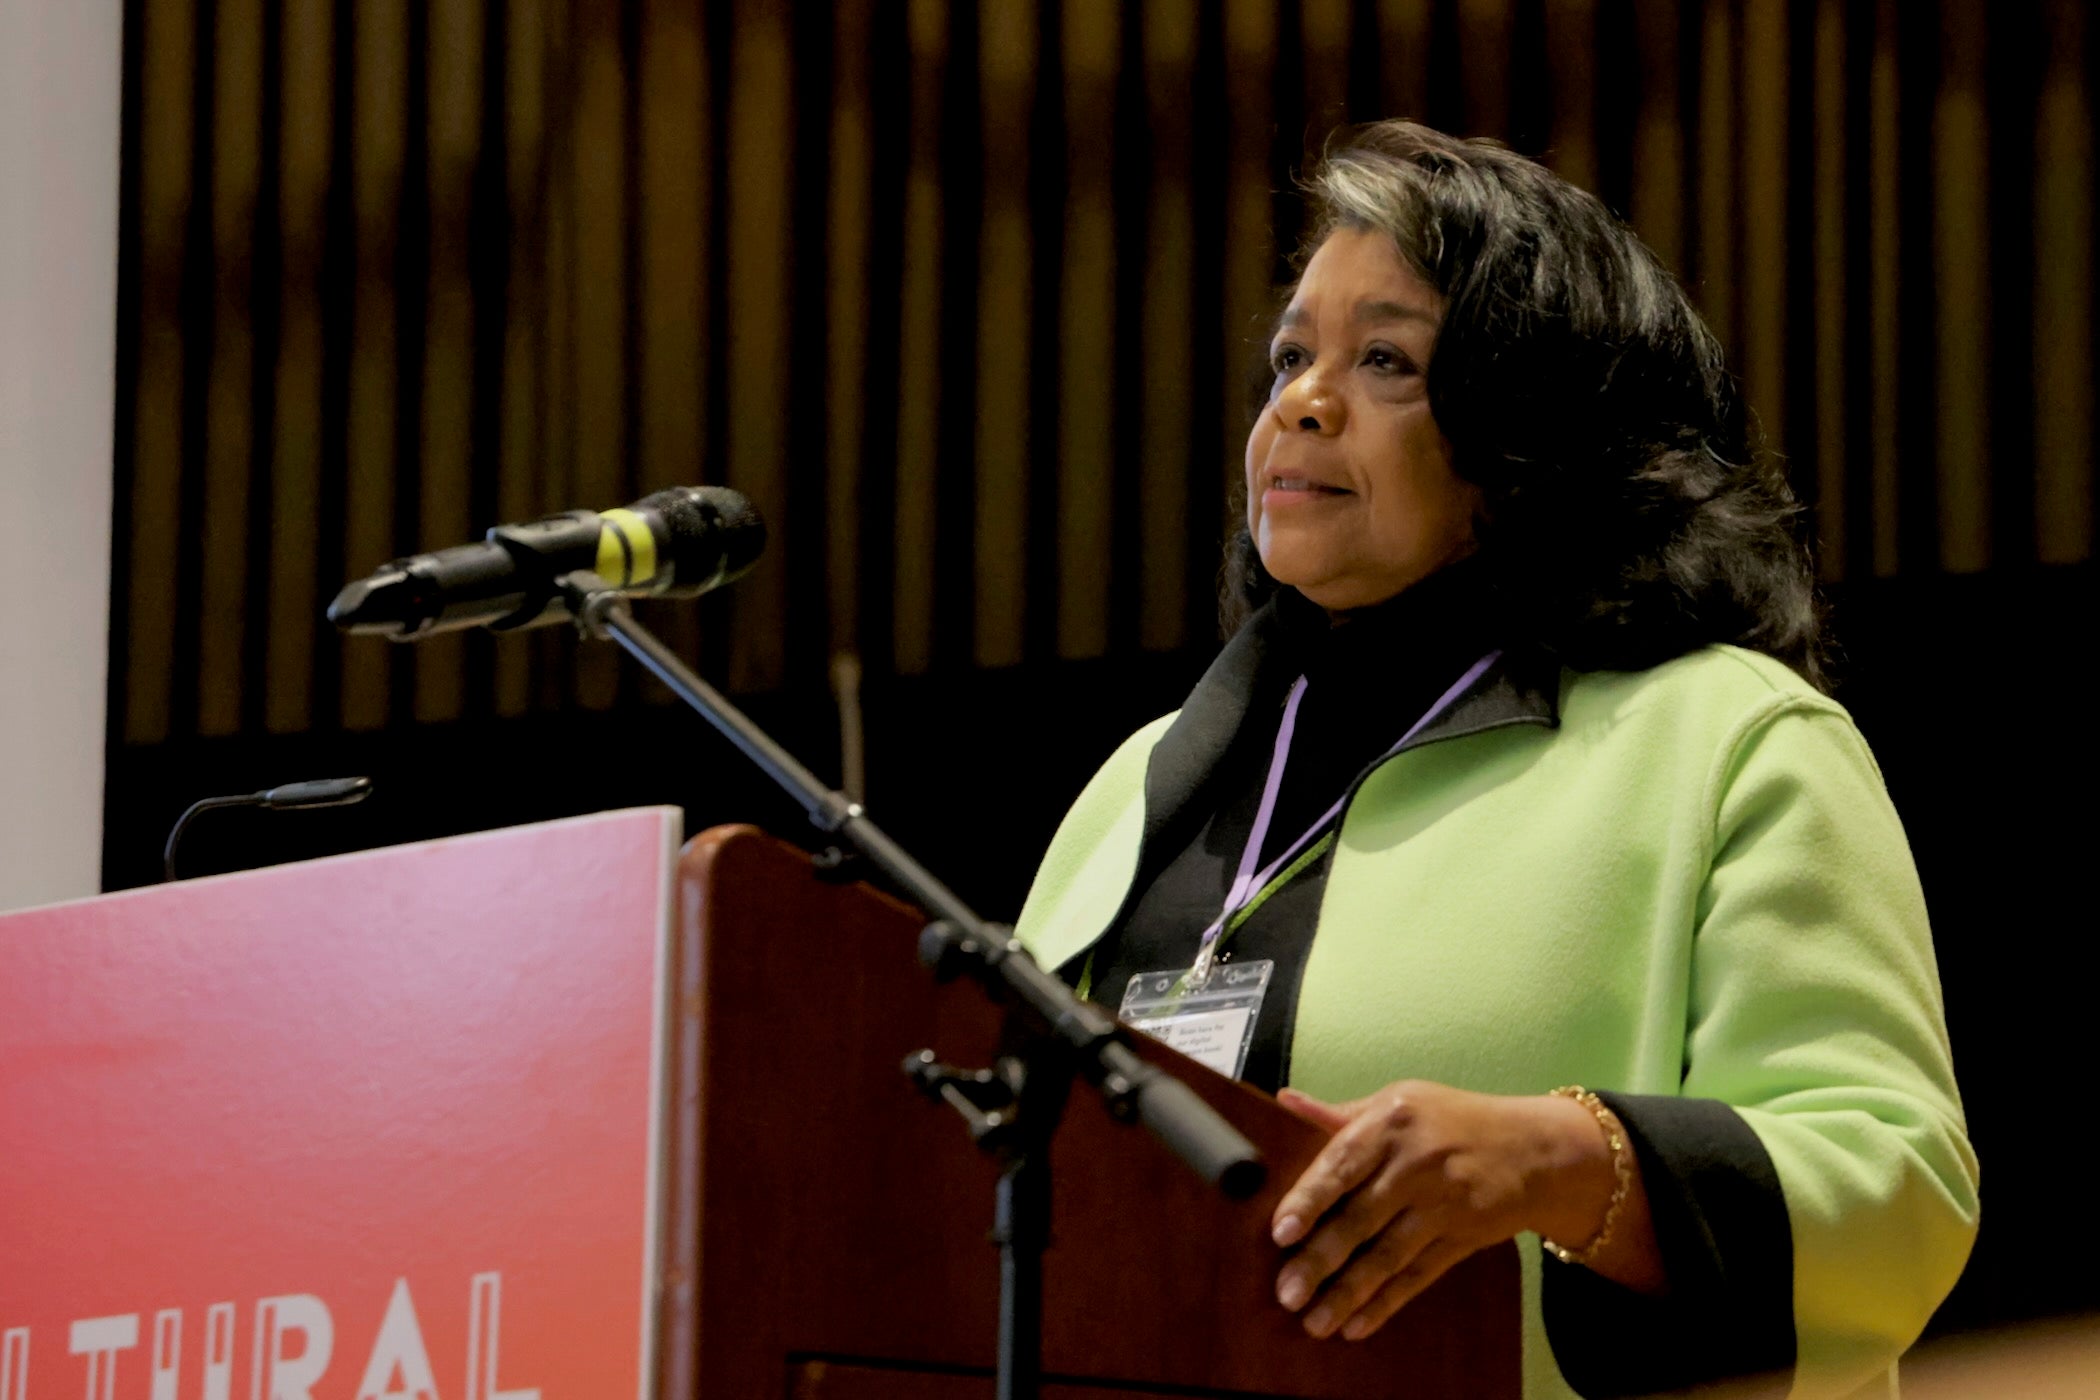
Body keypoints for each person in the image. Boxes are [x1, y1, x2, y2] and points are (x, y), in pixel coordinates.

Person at [1013, 122, 1978, 1400]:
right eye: (1291, 356)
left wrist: (1566, 1161)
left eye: (1387, 361)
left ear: (1533, 438)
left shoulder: (1725, 743)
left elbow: (1897, 1193)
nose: (1301, 398)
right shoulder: (1143, 781)